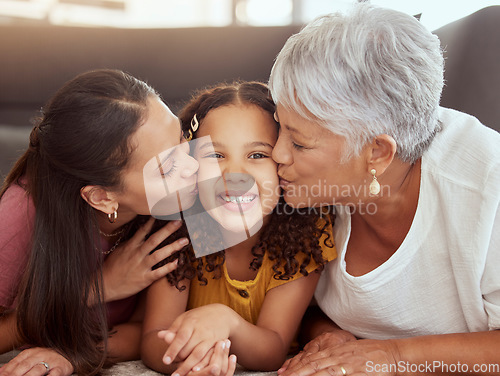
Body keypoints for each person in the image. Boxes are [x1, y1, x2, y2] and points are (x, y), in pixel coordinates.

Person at [266, 3, 500, 375]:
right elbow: (296, 305)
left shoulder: (487, 185)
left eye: (299, 143)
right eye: (280, 125)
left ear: (377, 152)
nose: (276, 153)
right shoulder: (299, 187)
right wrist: (332, 335)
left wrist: (391, 357)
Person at [0, 68, 215, 376]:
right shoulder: (21, 212)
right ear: (101, 197)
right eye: (167, 168)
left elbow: (147, 332)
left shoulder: (178, 205)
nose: (193, 164)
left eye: (182, 136)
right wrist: (97, 287)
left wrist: (72, 355)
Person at [140, 81, 337, 376]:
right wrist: (191, 362)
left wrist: (227, 322)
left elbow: (273, 348)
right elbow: (155, 336)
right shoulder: (180, 229)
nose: (234, 174)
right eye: (215, 156)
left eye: (257, 155)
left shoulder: (306, 231)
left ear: (283, 164)